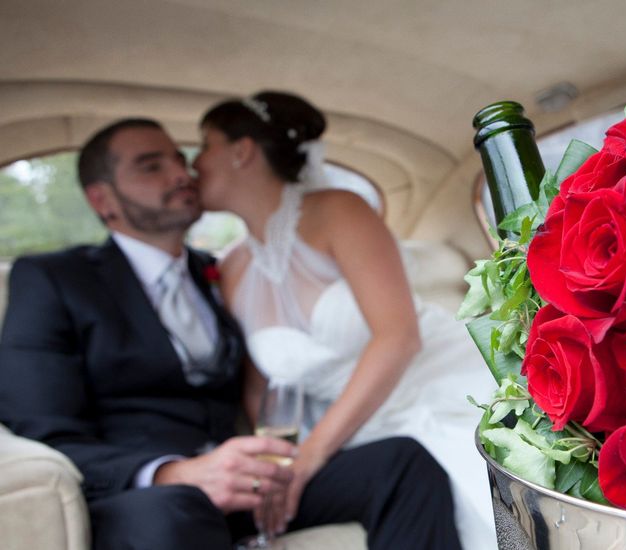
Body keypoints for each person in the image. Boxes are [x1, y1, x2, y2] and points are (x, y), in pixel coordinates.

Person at [0, 118, 461, 550]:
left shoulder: (224, 272)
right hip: (143, 496)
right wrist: (172, 473)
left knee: (401, 463)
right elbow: (45, 431)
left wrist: (282, 460)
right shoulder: (54, 279)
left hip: (241, 479)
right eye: (152, 166)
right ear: (103, 200)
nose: (181, 173)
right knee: (174, 511)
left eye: (180, 159)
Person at [194, 91, 499, 549]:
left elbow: (397, 338)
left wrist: (314, 454)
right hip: (351, 429)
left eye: (205, 146)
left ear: (242, 151)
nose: (194, 163)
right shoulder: (232, 271)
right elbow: (262, 390)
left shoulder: (339, 212)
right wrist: (281, 465)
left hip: (435, 386)